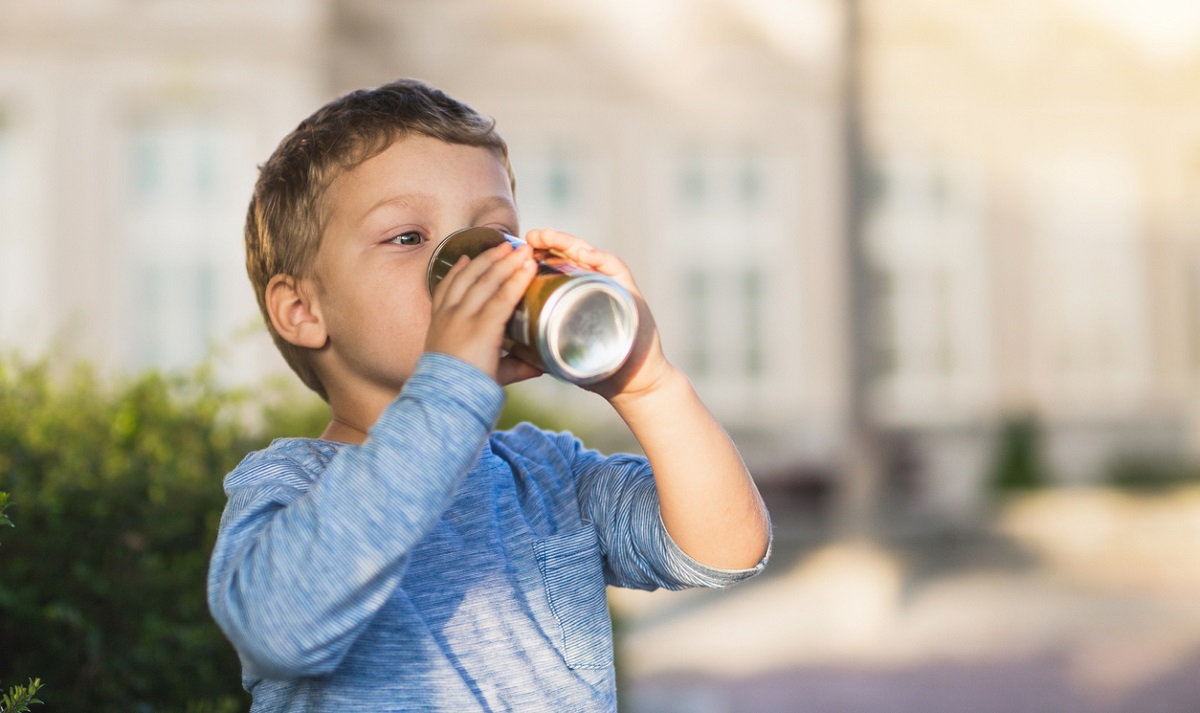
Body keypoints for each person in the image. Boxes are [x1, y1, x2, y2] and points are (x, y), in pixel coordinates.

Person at [206, 78, 771, 712]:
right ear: (303, 308)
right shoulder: (286, 487)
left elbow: (723, 551)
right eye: (409, 238)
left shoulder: (548, 476)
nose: (470, 268)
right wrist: (449, 385)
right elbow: (282, 629)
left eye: (494, 238)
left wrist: (649, 384)